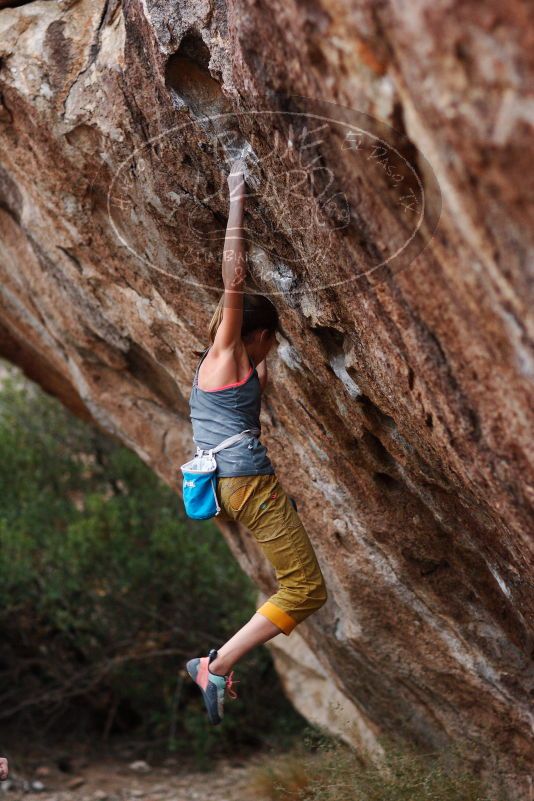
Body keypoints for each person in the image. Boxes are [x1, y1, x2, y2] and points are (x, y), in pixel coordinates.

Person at [185, 159, 328, 725]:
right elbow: (234, 283)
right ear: (260, 337)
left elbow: (258, 386)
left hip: (234, 481)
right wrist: (237, 195)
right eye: (271, 342)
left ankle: (216, 663)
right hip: (247, 483)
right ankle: (214, 665)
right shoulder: (225, 354)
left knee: (303, 587)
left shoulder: (225, 374)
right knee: (304, 589)